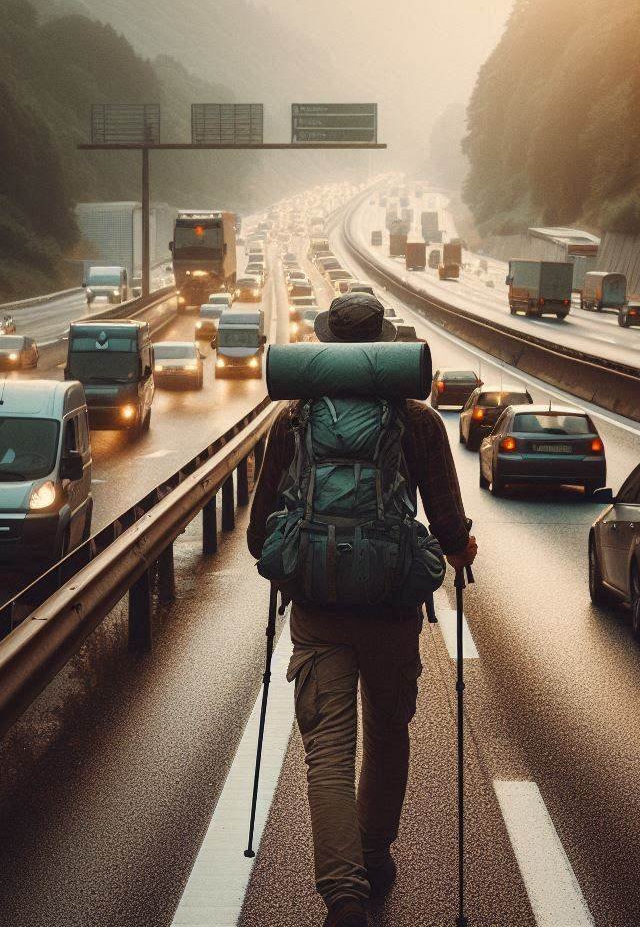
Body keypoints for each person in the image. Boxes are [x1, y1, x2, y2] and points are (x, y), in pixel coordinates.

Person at [248, 293, 477, 927]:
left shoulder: (295, 420)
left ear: (326, 346)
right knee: (386, 732)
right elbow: (447, 520)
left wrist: (297, 554)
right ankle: (374, 856)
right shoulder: (417, 422)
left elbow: (258, 529)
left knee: (327, 748)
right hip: (390, 611)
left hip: (319, 608)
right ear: (384, 344)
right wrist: (459, 550)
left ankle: (344, 895)